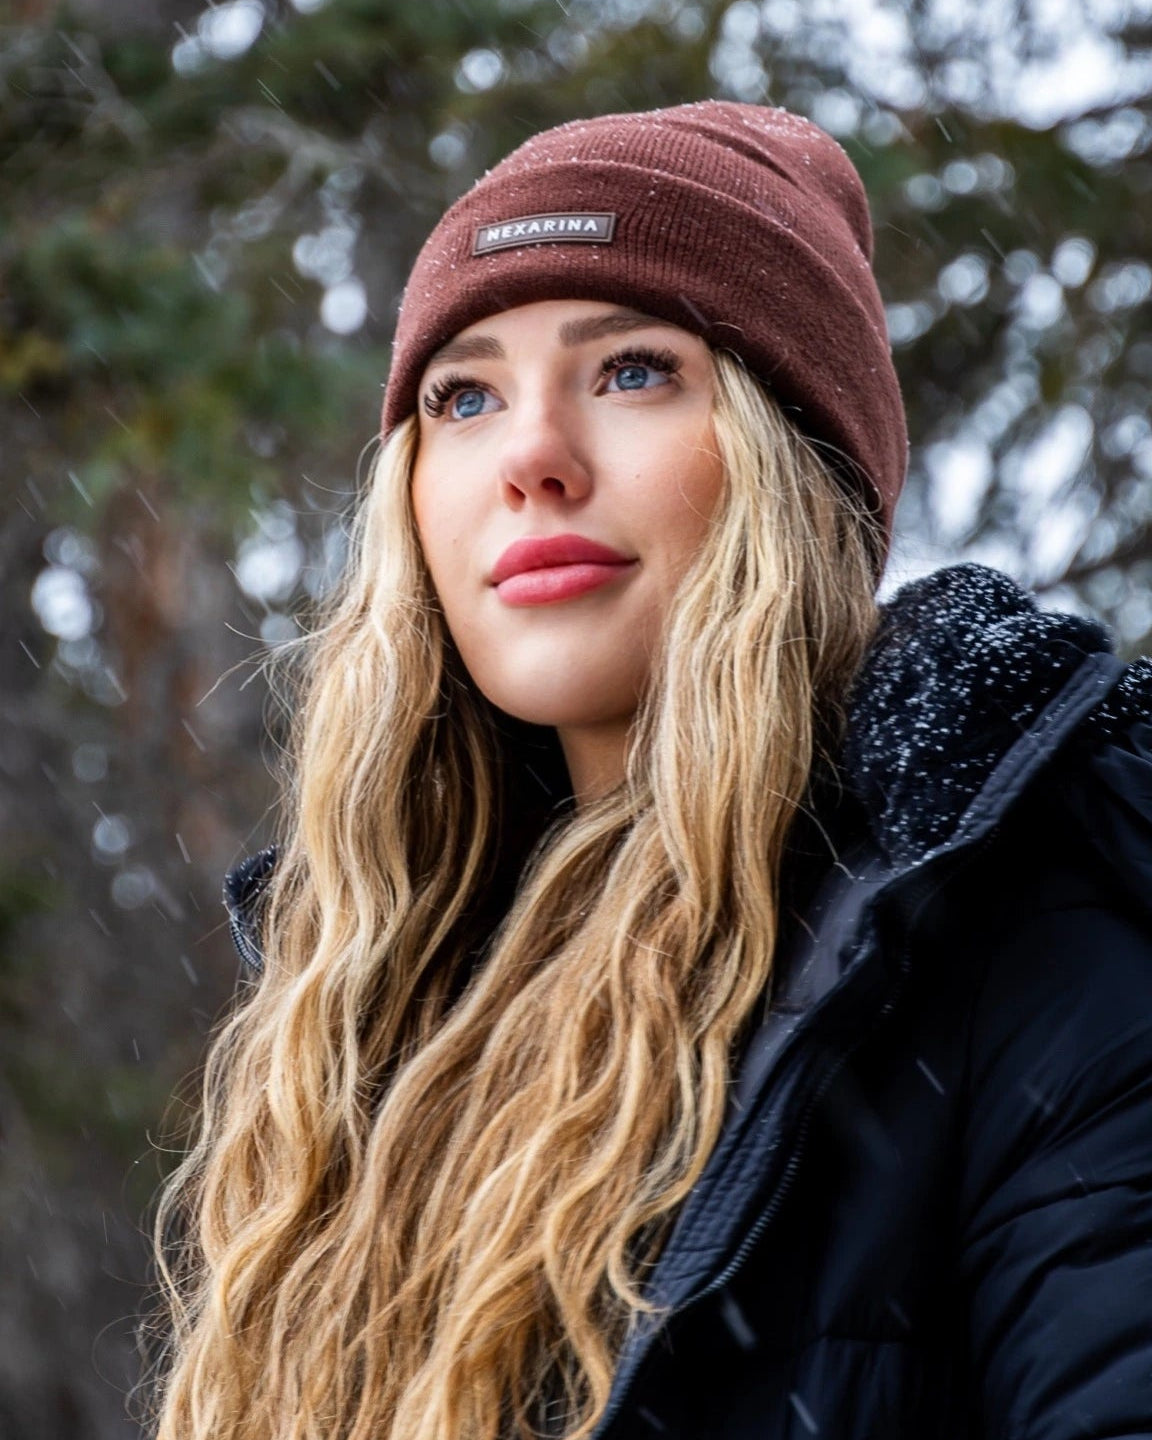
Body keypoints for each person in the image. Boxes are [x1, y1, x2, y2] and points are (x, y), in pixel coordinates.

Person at [150, 102, 1152, 1440]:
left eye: (631, 371)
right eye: (465, 396)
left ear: (790, 459)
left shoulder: (1023, 912)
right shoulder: (368, 1022)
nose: (532, 459)